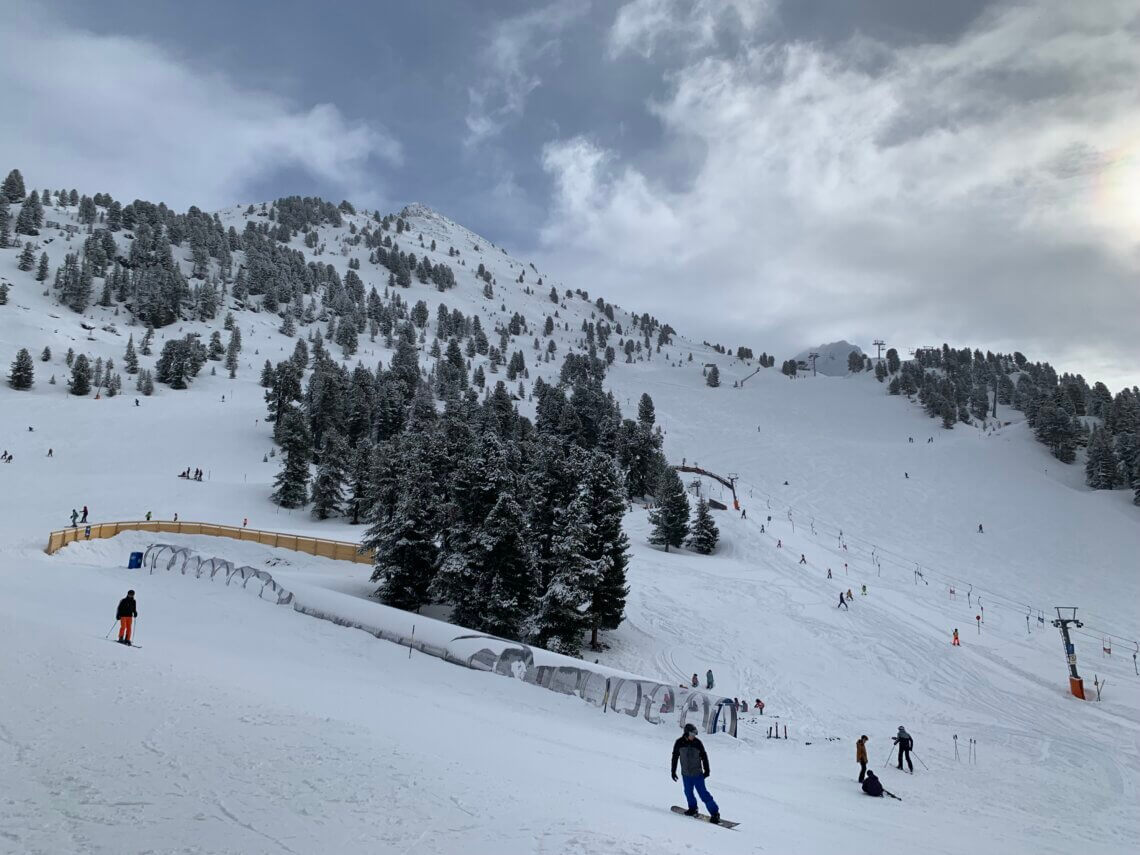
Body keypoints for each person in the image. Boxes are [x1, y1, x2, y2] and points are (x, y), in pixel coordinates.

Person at [671, 723, 720, 823]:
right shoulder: (679, 743)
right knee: (688, 792)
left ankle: (715, 813)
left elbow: (704, 757)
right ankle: (693, 808)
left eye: (695, 734)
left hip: (697, 774)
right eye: (692, 734)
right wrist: (673, 771)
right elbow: (675, 757)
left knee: (703, 794)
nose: (694, 736)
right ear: (686, 733)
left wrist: (707, 770)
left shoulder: (697, 743)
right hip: (686, 774)